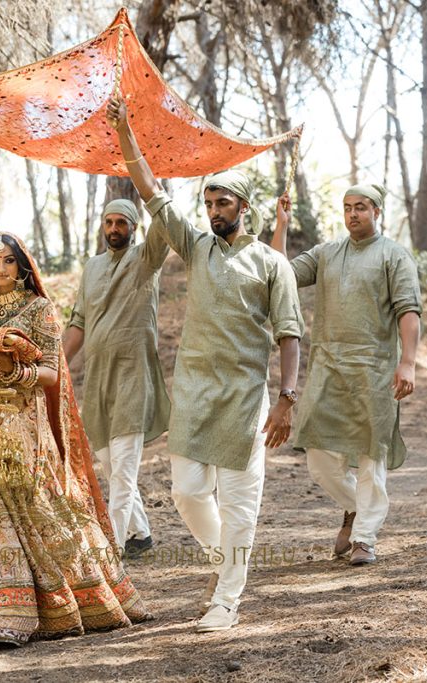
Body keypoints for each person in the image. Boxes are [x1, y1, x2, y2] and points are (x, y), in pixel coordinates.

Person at [108, 97, 303, 632]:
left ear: (243, 206)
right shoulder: (195, 248)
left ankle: (227, 600)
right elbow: (149, 191)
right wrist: (126, 130)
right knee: (187, 493)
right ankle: (226, 567)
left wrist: (286, 399)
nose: (214, 211)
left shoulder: (272, 264)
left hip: (245, 398)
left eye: (224, 203)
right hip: (193, 392)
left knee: (240, 504)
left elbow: (289, 335)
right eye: (209, 202)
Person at [0, 232, 151, 647]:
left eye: (9, 261)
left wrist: (15, 374)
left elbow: (53, 374)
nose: (1, 269)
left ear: (22, 266)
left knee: (29, 505)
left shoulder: (40, 310)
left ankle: (45, 605)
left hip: (21, 422)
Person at [270, 184, 421, 566]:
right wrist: (282, 226)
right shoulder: (326, 253)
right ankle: (355, 510)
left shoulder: (394, 256)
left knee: (372, 456)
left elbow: (408, 311)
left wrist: (408, 362)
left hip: (375, 371)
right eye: (348, 208)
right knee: (319, 459)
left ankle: (365, 538)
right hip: (328, 369)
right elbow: (280, 273)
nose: (353, 214)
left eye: (362, 208)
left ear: (377, 211)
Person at [63, 199, 171, 558]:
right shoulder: (92, 267)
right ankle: (139, 534)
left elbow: (164, 220)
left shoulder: (146, 259)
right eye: (108, 222)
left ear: (134, 227)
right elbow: (78, 321)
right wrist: (58, 368)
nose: (113, 229)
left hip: (133, 377)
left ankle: (108, 554)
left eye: (121, 223)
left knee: (123, 472)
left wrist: (151, 186)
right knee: (111, 467)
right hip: (98, 382)